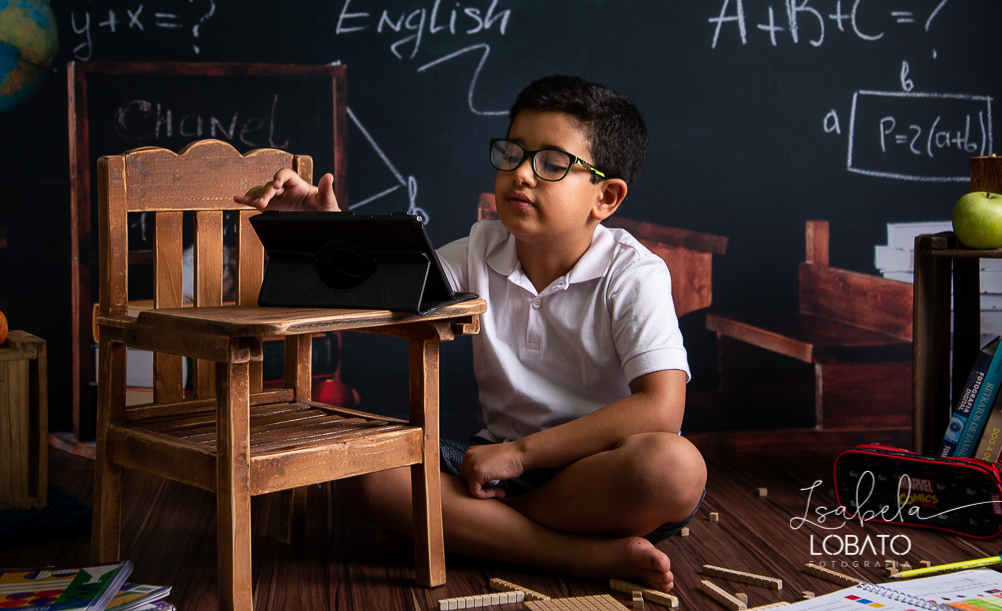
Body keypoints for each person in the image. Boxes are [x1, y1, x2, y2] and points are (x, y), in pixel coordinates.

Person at [234, 75, 706, 591]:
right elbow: (385, 285)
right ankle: (574, 555)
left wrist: (521, 456)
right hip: (487, 461)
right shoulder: (483, 246)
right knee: (356, 469)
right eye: (513, 153)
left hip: (595, 473)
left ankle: (459, 525)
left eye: (551, 163)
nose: (521, 174)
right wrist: (324, 227)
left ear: (606, 197)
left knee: (675, 468)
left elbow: (662, 409)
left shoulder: (634, 272)